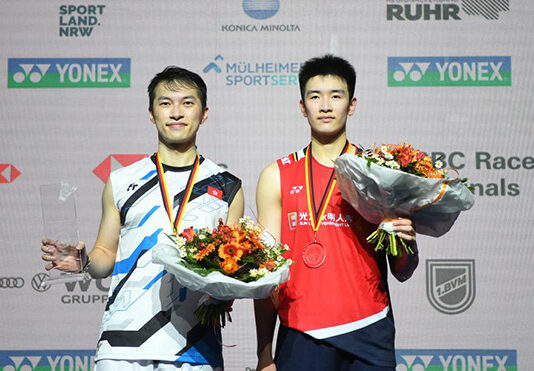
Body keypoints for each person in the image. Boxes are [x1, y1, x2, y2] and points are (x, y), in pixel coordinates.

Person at [41, 66, 244, 371]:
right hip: (122, 344)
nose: (176, 112)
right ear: (151, 113)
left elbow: (232, 267)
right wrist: (84, 262)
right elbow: (106, 255)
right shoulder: (122, 181)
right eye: (165, 103)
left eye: (187, 103)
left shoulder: (227, 186)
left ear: (204, 114)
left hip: (194, 346)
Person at [254, 55, 419, 371]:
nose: (325, 106)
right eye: (315, 97)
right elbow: (265, 278)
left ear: (352, 105)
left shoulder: (381, 173)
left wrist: (407, 242)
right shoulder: (276, 175)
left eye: (336, 96)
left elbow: (404, 269)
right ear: (303, 107)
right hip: (301, 333)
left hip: (370, 331)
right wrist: (264, 354)